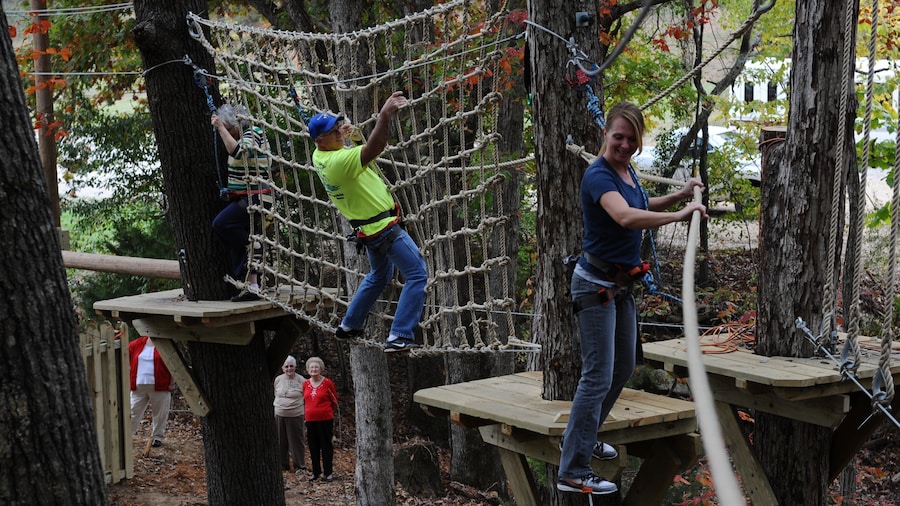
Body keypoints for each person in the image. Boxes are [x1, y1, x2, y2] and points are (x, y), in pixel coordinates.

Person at [557, 102, 707, 495]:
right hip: (595, 286)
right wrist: (680, 216)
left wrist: (679, 195)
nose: (623, 144)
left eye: (630, 138)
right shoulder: (598, 176)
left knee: (623, 367)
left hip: (621, 286)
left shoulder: (628, 173)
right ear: (605, 134)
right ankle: (572, 468)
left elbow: (641, 205)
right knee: (597, 374)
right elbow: (624, 217)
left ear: (639, 141)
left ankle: (582, 439)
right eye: (617, 136)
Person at [309, 91, 427, 352]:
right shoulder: (338, 161)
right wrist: (384, 115)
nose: (340, 132)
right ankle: (400, 335)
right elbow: (374, 149)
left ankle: (350, 324)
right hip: (383, 229)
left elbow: (358, 155)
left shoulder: (320, 157)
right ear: (320, 140)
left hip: (367, 230)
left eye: (339, 127)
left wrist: (352, 137)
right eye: (334, 131)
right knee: (418, 274)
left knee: (380, 275)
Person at [211, 103, 271, 302]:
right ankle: (252, 286)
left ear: (236, 124)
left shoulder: (254, 133)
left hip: (257, 197)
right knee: (236, 240)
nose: (228, 134)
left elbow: (237, 152)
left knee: (223, 224)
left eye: (229, 129)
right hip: (248, 197)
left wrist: (220, 128)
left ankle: (255, 246)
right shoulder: (246, 134)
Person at [129, 336, 175, 448]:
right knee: (132, 411)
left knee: (160, 413)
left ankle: (157, 437)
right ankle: (127, 435)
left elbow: (173, 364)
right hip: (138, 386)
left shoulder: (165, 344)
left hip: (160, 384)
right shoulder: (137, 344)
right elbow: (127, 357)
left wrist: (172, 382)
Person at [302, 356, 338, 482]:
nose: (314, 369)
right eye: (311, 367)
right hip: (310, 420)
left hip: (325, 419)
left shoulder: (327, 383)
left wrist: (326, 412)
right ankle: (316, 472)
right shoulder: (305, 384)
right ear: (307, 369)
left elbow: (334, 401)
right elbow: (305, 400)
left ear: (321, 368)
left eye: (316, 367)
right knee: (313, 446)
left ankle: (328, 473)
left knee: (326, 446)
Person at [274, 355, 306, 473]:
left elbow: (306, 397)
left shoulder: (301, 380)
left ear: (295, 367)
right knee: (281, 440)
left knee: (296, 441)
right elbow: (275, 394)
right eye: (286, 366)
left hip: (296, 414)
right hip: (279, 413)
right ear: (282, 368)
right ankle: (283, 464)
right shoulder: (278, 379)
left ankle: (300, 466)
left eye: (291, 366)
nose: (289, 369)